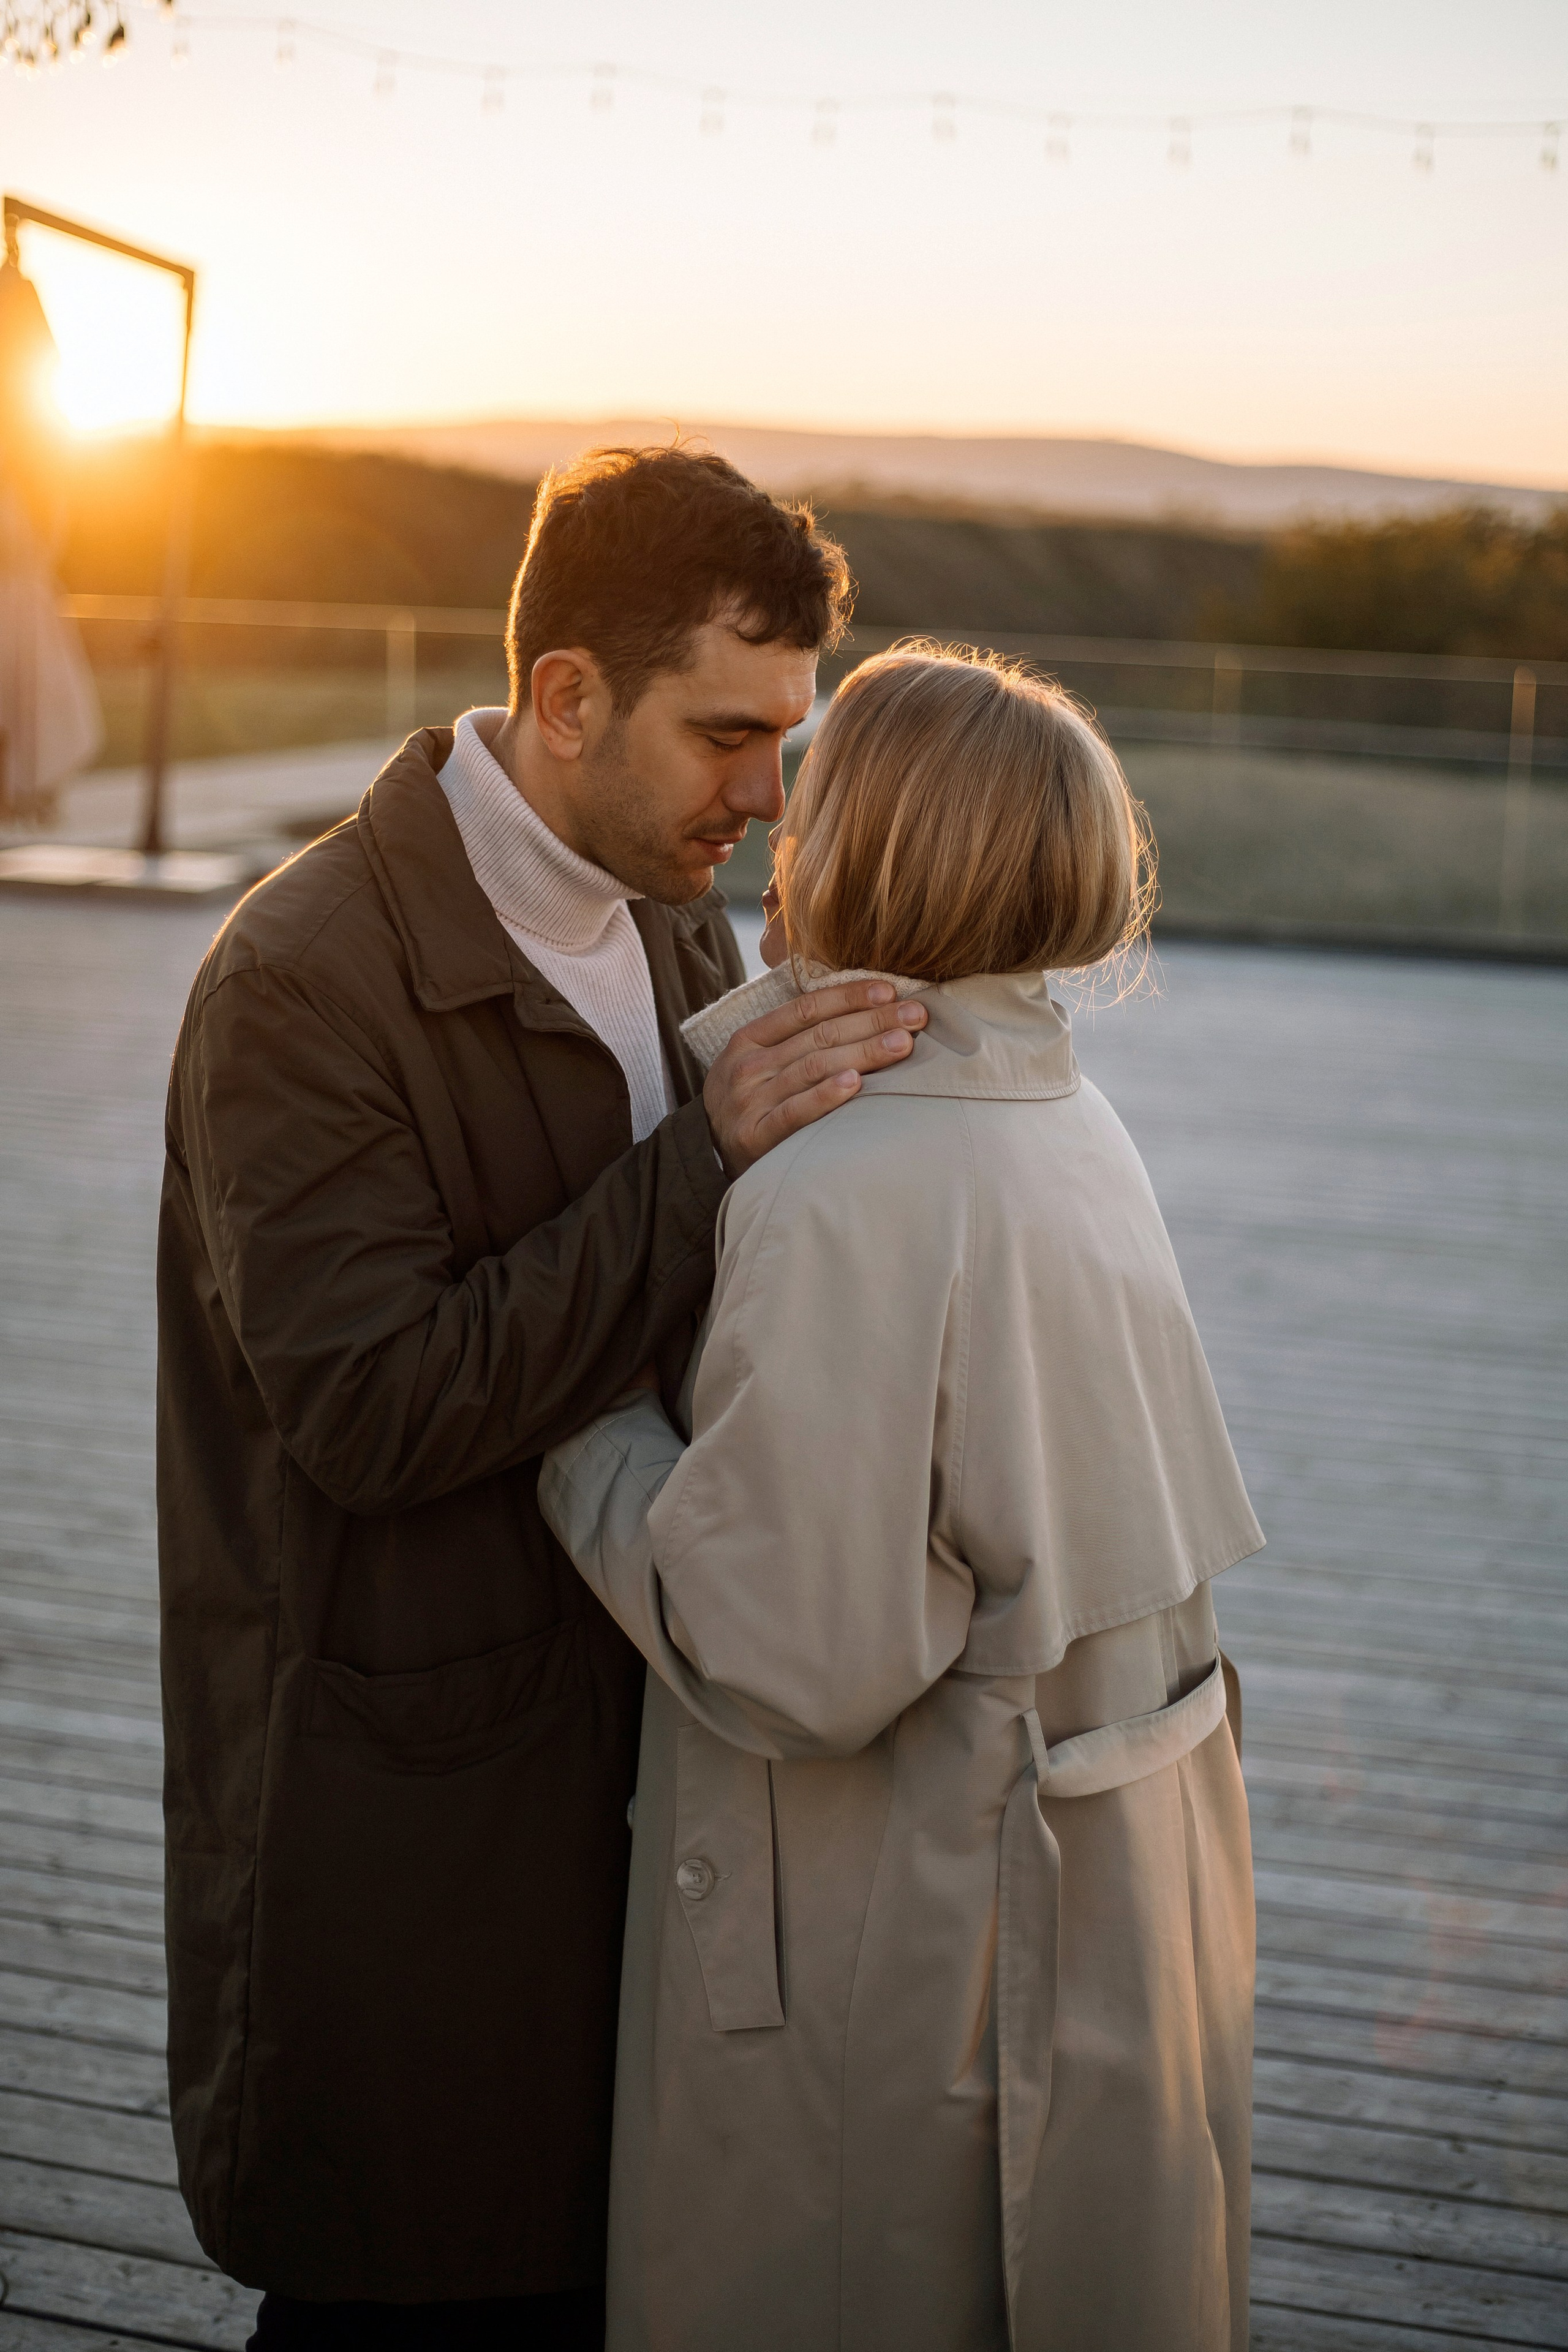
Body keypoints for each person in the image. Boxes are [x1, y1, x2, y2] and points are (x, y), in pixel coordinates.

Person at [156, 445, 931, 2347]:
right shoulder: (302, 978)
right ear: (567, 698)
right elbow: (368, 1407)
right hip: (401, 1826)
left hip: (628, 1771)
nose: (769, 796)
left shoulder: (668, 908)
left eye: (791, 737)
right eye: (727, 733)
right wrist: (708, 1162)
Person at [539, 647, 1265, 2352]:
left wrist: (578, 1426)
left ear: (872, 850)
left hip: (890, 1997)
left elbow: (791, 1654)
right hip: (1084, 1966)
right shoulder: (1077, 1124)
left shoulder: (847, 1185)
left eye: (816, 791)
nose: (775, 826)